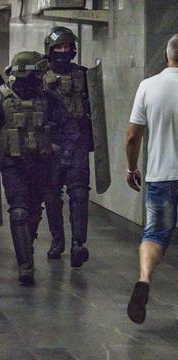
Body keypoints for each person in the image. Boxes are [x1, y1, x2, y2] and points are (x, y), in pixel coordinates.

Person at [126, 34, 178, 324]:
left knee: (154, 235)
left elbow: (133, 135)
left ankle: (144, 279)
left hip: (161, 177)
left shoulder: (148, 86)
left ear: (166, 56)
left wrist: (131, 167)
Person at [0, 51, 51, 285]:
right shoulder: (1, 98)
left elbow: (62, 124)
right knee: (18, 210)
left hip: (41, 161)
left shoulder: (48, 97)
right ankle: (25, 266)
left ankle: (26, 247)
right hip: (13, 162)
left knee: (32, 210)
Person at [42, 26, 92, 268]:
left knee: (79, 193)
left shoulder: (84, 75)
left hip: (78, 140)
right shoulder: (41, 76)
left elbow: (93, 111)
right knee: (52, 195)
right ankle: (57, 240)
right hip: (51, 144)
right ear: (50, 51)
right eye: (58, 48)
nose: (63, 52)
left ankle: (78, 244)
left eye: (66, 47)